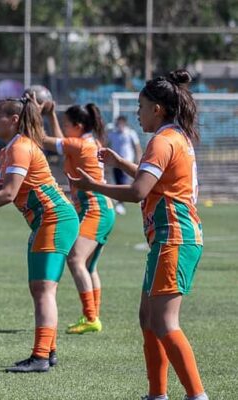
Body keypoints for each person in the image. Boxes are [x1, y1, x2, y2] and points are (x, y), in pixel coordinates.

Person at [68, 69, 207, 400]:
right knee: (147, 318)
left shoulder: (162, 140)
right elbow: (153, 180)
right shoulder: (175, 137)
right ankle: (157, 394)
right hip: (170, 238)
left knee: (164, 323)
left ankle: (197, 396)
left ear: (157, 109)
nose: (137, 113)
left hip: (174, 236)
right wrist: (121, 162)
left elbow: (137, 192)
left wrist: (90, 185)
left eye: (141, 106)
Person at [0, 94, 79, 373]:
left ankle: (41, 356)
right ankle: (48, 351)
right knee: (40, 289)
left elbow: (8, 195)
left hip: (56, 219)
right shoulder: (5, 152)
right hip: (45, 221)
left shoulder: (21, 147)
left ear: (14, 120)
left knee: (44, 289)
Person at [40, 102, 115, 334]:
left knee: (75, 259)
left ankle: (91, 317)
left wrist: (33, 115)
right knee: (88, 266)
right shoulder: (87, 142)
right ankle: (92, 317)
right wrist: (51, 114)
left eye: (65, 124)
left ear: (79, 126)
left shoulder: (80, 145)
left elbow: (44, 141)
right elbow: (62, 142)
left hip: (96, 208)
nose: (62, 128)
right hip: (100, 208)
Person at [106, 116, 142, 215]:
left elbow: (137, 146)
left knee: (123, 181)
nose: (120, 125)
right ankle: (120, 202)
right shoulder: (112, 134)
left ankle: (121, 203)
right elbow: (106, 144)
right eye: (118, 123)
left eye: (122, 123)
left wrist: (138, 158)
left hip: (127, 162)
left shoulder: (130, 133)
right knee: (118, 181)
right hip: (115, 162)